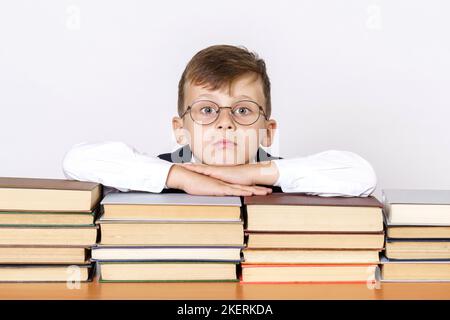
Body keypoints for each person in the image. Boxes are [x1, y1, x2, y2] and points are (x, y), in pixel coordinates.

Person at [62, 45, 377, 197]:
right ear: (180, 131)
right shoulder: (154, 172)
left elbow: (362, 175)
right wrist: (181, 177)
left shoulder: (287, 177)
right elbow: (75, 160)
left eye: (242, 111)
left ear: (268, 132)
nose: (224, 123)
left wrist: (252, 173)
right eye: (207, 110)